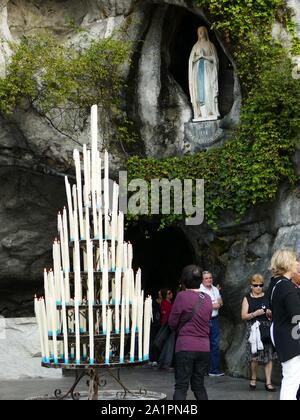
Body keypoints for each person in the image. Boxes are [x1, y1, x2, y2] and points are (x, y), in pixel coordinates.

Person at [169, 265, 212, 400]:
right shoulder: (208, 298)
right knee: (199, 385)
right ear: (200, 280)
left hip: (185, 346)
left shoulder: (182, 297)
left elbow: (172, 322)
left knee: (181, 386)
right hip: (204, 347)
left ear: (184, 280)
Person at [270, 249, 300, 400]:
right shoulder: (286, 286)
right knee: (291, 379)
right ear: (288, 263)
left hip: (282, 333)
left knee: (291, 377)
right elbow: (297, 315)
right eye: (295, 260)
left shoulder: (276, 283)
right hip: (289, 337)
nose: (297, 264)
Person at [241, 274, 277, 392]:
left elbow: (273, 312)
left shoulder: (267, 296)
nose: (258, 287)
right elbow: (243, 316)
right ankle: (253, 379)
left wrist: (270, 314)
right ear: (251, 285)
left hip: (266, 328)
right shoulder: (247, 298)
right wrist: (255, 314)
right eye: (255, 285)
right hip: (254, 330)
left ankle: (268, 382)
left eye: (260, 285)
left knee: (269, 356)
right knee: (254, 357)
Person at [188, 26, 220, 121]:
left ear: (206, 32)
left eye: (202, 31)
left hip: (208, 71)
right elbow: (191, 60)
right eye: (199, 31)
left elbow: (215, 59)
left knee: (208, 89)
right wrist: (198, 58)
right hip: (198, 72)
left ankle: (211, 111)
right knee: (199, 91)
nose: (200, 33)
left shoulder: (210, 45)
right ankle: (201, 113)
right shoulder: (195, 46)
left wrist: (205, 57)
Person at [200, 271, 224, 376]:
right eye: (206, 278)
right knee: (203, 344)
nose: (209, 280)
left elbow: (221, 303)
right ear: (202, 279)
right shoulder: (200, 290)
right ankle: (203, 369)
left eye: (210, 278)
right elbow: (203, 306)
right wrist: (214, 304)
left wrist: (214, 304)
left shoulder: (215, 289)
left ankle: (214, 370)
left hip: (215, 319)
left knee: (215, 344)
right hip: (204, 320)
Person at [149, 290, 162, 366]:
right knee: (153, 340)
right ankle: (153, 358)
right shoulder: (155, 303)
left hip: (159, 324)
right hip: (155, 324)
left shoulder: (163, 302)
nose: (159, 295)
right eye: (158, 294)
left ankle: (156, 358)